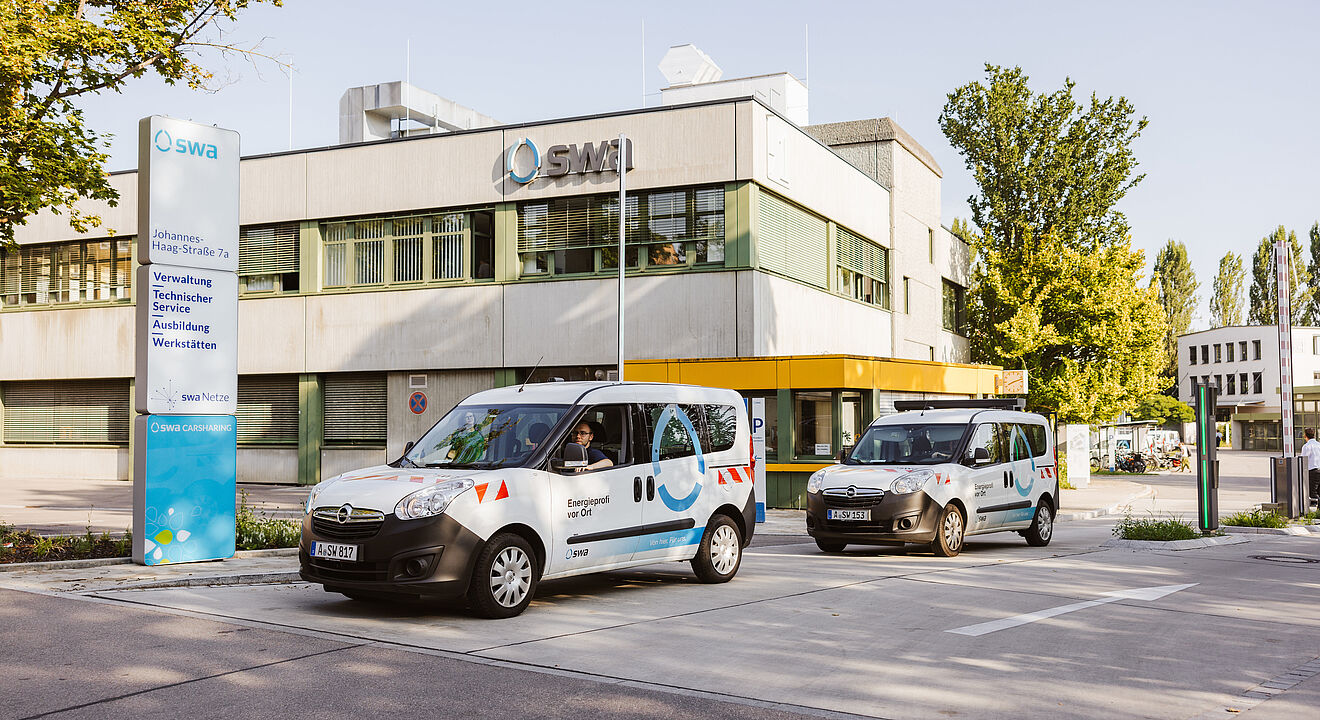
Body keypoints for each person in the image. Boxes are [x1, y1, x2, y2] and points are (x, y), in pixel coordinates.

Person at [1302, 428, 1320, 506]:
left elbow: (1303, 459)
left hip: (1313, 472)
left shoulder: (1307, 446)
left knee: (1312, 492)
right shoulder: (1319, 445)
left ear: (1305, 435)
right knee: (1319, 491)